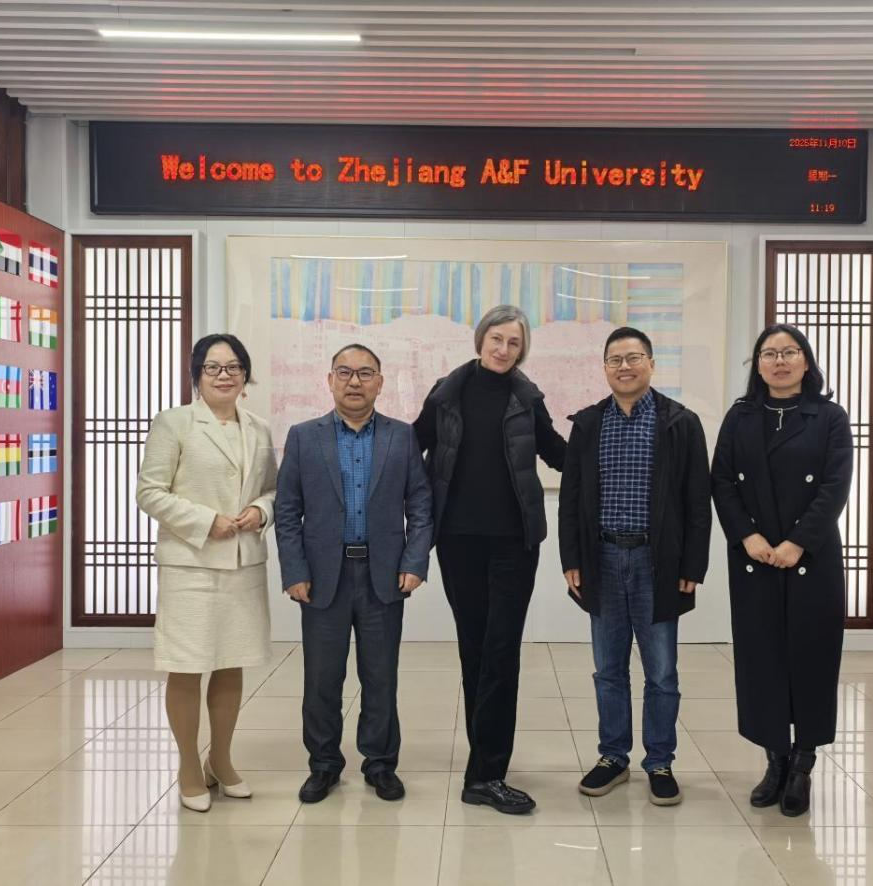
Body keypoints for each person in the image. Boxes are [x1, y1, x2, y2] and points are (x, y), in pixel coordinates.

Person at [413, 304, 567, 815]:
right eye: (497, 339)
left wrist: (603, 453)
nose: (504, 349)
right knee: (474, 651)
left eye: (514, 342)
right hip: (457, 541)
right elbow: (411, 446)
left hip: (514, 543)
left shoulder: (527, 398)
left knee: (502, 653)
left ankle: (487, 773)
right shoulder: (446, 393)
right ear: (480, 340)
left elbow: (556, 452)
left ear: (522, 349)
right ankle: (483, 771)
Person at [558, 327, 712, 806]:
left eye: (633, 358)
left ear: (651, 363)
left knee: (661, 671)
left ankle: (660, 761)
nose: (624, 367)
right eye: (615, 360)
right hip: (602, 558)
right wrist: (571, 559)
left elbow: (697, 502)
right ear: (605, 368)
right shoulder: (588, 423)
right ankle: (613, 756)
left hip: (657, 562)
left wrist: (693, 565)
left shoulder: (680, 423)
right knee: (608, 668)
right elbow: (571, 499)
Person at [275, 344, 433, 804]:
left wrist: (414, 561)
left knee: (380, 677)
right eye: (344, 372)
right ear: (330, 380)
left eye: (365, 373)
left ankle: (380, 763)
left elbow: (421, 505)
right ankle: (324, 764)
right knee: (322, 679)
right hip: (323, 577)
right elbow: (287, 511)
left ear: (380, 383)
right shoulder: (304, 437)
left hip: (383, 576)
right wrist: (294, 570)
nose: (354, 381)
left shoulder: (402, 437)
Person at [710, 323, 853, 817]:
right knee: (762, 659)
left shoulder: (829, 417)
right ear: (758, 365)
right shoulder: (740, 416)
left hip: (812, 556)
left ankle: (803, 764)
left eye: (789, 352)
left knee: (811, 658)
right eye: (769, 354)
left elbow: (835, 485)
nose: (780, 361)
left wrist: (797, 542)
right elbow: (722, 481)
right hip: (755, 558)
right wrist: (747, 536)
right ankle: (775, 760)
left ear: (806, 361)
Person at [135, 333, 278, 813]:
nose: (224, 375)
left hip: (242, 563)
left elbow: (273, 489)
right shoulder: (174, 422)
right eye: (213, 367)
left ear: (245, 375)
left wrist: (260, 511)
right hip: (191, 564)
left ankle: (221, 758)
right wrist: (205, 520)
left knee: (231, 661)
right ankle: (188, 766)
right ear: (197, 374)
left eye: (234, 367)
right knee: (187, 664)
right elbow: (149, 491)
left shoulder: (258, 428)